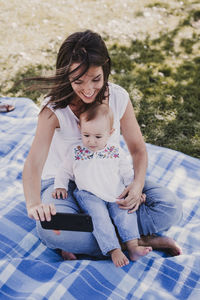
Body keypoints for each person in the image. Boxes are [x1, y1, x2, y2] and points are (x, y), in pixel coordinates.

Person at [22, 29, 182, 262]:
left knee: (170, 207)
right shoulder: (53, 109)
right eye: (78, 81)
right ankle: (135, 240)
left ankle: (103, 241)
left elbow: (137, 148)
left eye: (96, 79)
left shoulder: (118, 98)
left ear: (105, 68)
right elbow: (34, 162)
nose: (88, 89)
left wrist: (136, 186)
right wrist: (34, 203)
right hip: (64, 185)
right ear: (66, 75)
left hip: (110, 179)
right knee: (51, 229)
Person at [52, 103, 152, 267]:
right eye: (86, 135)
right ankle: (113, 249)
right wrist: (60, 186)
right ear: (80, 128)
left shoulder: (115, 151)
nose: (91, 141)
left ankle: (133, 246)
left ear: (110, 133)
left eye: (98, 137)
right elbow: (64, 171)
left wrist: (134, 188)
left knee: (125, 214)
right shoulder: (76, 151)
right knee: (100, 218)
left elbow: (126, 172)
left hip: (115, 193)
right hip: (89, 194)